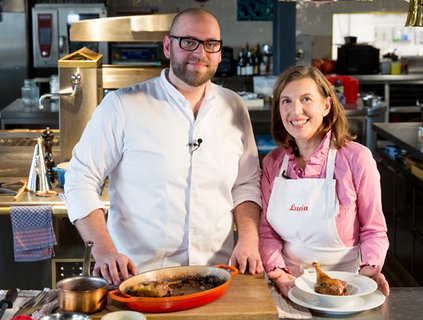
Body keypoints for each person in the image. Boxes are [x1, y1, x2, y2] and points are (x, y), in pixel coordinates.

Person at [63, 8, 263, 286]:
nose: (200, 53)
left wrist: (249, 240)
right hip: (139, 278)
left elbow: (246, 183)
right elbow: (79, 180)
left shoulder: (234, 106)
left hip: (216, 277)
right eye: (188, 41)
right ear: (168, 46)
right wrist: (105, 252)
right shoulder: (122, 106)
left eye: (211, 44)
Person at [259, 64, 390, 297]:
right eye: (286, 101)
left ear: (326, 105)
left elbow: (374, 230)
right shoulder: (273, 162)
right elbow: (267, 233)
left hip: (346, 288)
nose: (295, 111)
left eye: (306, 99)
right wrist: (278, 272)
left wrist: (370, 268)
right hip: (288, 285)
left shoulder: (356, 159)